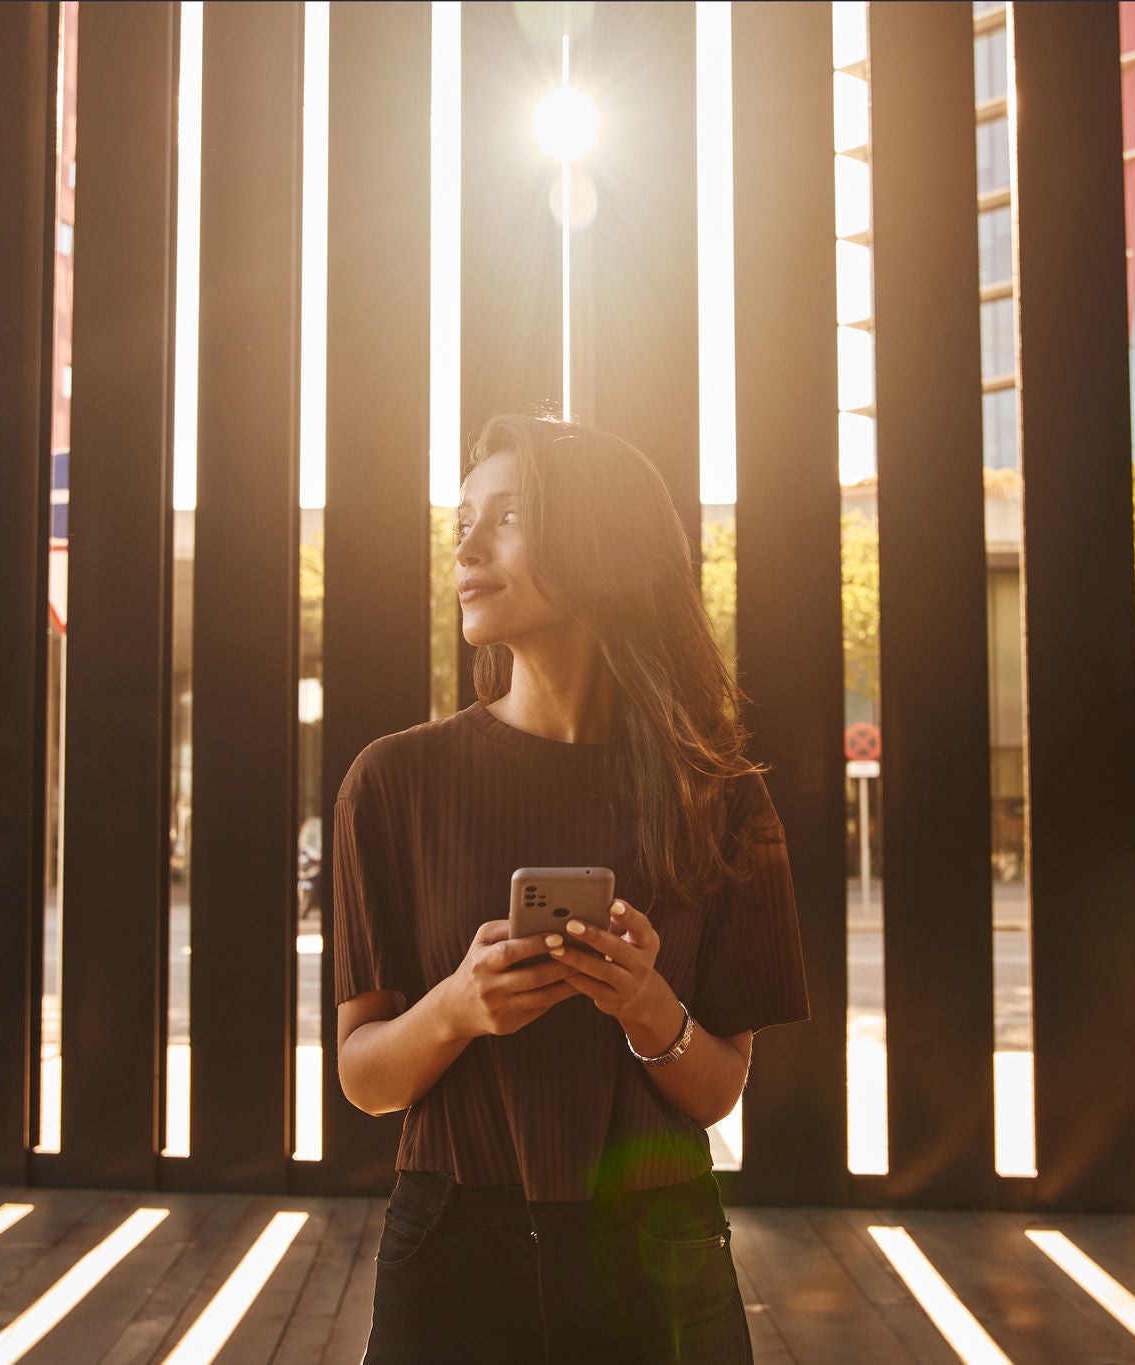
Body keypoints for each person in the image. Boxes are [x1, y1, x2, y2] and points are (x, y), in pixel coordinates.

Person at [332, 412, 811, 1364]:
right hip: (452, 1251)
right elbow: (361, 1075)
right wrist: (458, 1008)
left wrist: (648, 1006)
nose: (465, 546)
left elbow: (719, 1090)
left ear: (601, 541)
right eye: (462, 519)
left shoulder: (721, 799)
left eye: (507, 516)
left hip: (660, 1249)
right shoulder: (390, 783)